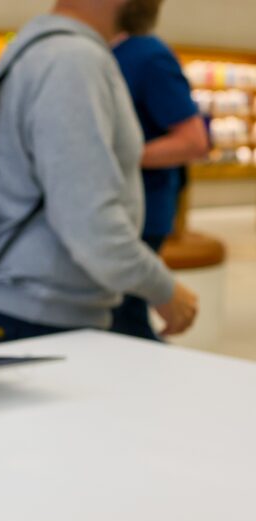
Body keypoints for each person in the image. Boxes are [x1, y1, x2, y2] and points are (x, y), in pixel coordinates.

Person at [0, 0, 198, 349]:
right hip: (40, 319)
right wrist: (163, 288)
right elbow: (88, 218)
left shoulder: (39, 50)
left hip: (30, 311)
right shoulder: (72, 60)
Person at [110, 0, 209, 341]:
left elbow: (193, 141)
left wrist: (116, 157)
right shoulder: (106, 53)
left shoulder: (149, 56)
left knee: (124, 318)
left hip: (142, 212)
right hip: (120, 208)